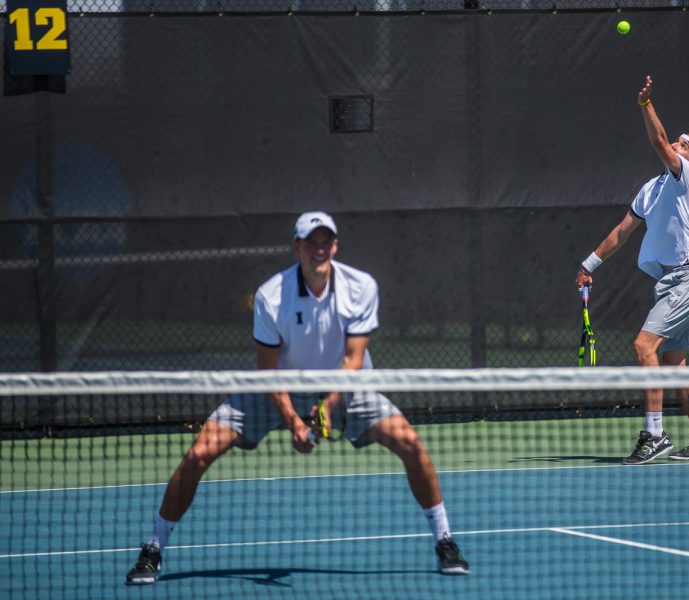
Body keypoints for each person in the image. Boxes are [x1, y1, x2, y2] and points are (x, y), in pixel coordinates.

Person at [126, 211, 469, 584]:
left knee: (412, 445)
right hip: (277, 387)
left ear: (335, 246)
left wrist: (327, 405)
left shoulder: (361, 287)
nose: (319, 249)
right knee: (199, 453)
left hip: (347, 386)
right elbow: (268, 373)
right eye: (311, 242)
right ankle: (154, 548)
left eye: (326, 242)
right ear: (297, 247)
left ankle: (445, 540)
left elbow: (353, 360)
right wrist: (294, 422)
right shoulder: (271, 296)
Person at [575, 75, 689, 466]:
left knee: (643, 347)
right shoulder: (651, 188)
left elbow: (657, 141)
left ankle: (654, 434)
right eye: (679, 140)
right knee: (674, 363)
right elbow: (623, 232)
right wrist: (589, 265)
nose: (677, 144)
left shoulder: (688, 176)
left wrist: (645, 105)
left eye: (685, 146)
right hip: (671, 279)